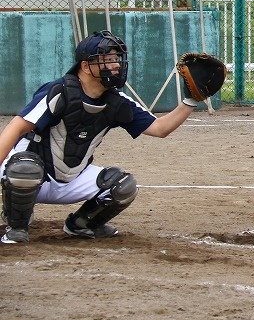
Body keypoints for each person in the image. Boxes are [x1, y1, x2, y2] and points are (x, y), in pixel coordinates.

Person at [0, 30, 201, 244]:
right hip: (28, 176)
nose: (116, 65)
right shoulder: (59, 91)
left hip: (72, 177)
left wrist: (191, 100)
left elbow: (160, 128)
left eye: (117, 59)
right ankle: (17, 224)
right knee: (25, 169)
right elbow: (16, 127)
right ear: (86, 66)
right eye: (108, 59)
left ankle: (81, 224)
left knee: (123, 186)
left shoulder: (116, 101)